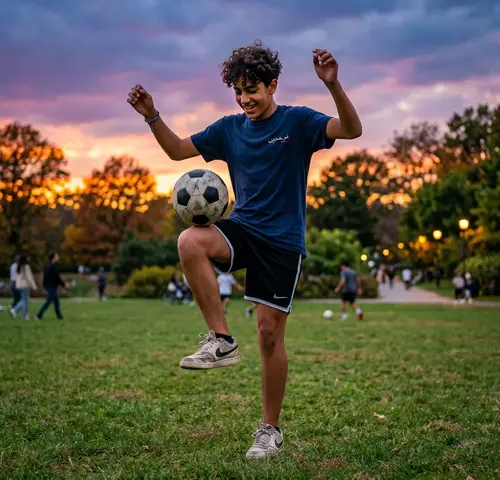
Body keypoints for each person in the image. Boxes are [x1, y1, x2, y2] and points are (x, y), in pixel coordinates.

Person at [127, 40, 362, 458]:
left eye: (251, 90)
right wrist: (152, 117)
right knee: (189, 241)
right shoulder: (229, 128)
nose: (244, 99)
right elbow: (178, 150)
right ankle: (221, 339)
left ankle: (269, 430)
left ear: (272, 86)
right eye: (238, 91)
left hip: (284, 241)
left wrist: (334, 85)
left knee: (270, 335)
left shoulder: (299, 122)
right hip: (243, 228)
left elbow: (351, 129)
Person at [36, 252, 66, 320]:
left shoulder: (47, 266)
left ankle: (60, 317)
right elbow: (57, 278)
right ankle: (38, 315)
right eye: (57, 256)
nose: (58, 257)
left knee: (56, 302)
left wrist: (44, 286)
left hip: (50, 286)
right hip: (52, 287)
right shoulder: (53, 267)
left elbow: (45, 278)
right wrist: (64, 285)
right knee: (48, 302)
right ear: (54, 257)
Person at [10, 254, 37, 320]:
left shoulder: (18, 266)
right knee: (25, 301)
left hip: (18, 285)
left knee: (24, 300)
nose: (29, 259)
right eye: (28, 258)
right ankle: (19, 313)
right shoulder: (26, 266)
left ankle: (21, 314)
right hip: (24, 285)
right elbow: (29, 277)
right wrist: (34, 286)